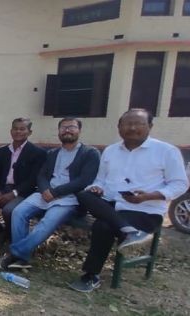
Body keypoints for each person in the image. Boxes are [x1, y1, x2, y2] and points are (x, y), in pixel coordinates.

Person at [69, 109, 188, 292]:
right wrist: (97, 188)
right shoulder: (111, 151)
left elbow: (180, 184)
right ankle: (130, 231)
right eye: (127, 124)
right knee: (84, 194)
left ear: (150, 126)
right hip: (112, 205)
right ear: (119, 127)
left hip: (145, 210)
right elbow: (100, 180)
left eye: (138, 124)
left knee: (102, 226)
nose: (132, 128)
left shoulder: (166, 151)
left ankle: (90, 275)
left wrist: (148, 196)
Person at [0, 118, 100, 270]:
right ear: (58, 131)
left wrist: (55, 192)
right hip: (44, 194)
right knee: (18, 212)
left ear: (79, 130)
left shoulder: (90, 153)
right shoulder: (52, 153)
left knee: (47, 222)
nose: (67, 130)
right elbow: (42, 175)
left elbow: (84, 180)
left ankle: (16, 254)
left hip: (69, 198)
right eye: (63, 127)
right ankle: (23, 259)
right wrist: (45, 189)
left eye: (71, 127)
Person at [0, 118, 46, 250]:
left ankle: (11, 238)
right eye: (15, 128)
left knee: (9, 210)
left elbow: (33, 180)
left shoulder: (38, 153)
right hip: (2, 189)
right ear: (11, 131)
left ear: (29, 132)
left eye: (22, 129)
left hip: (23, 192)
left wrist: (14, 193)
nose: (18, 132)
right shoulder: (2, 151)